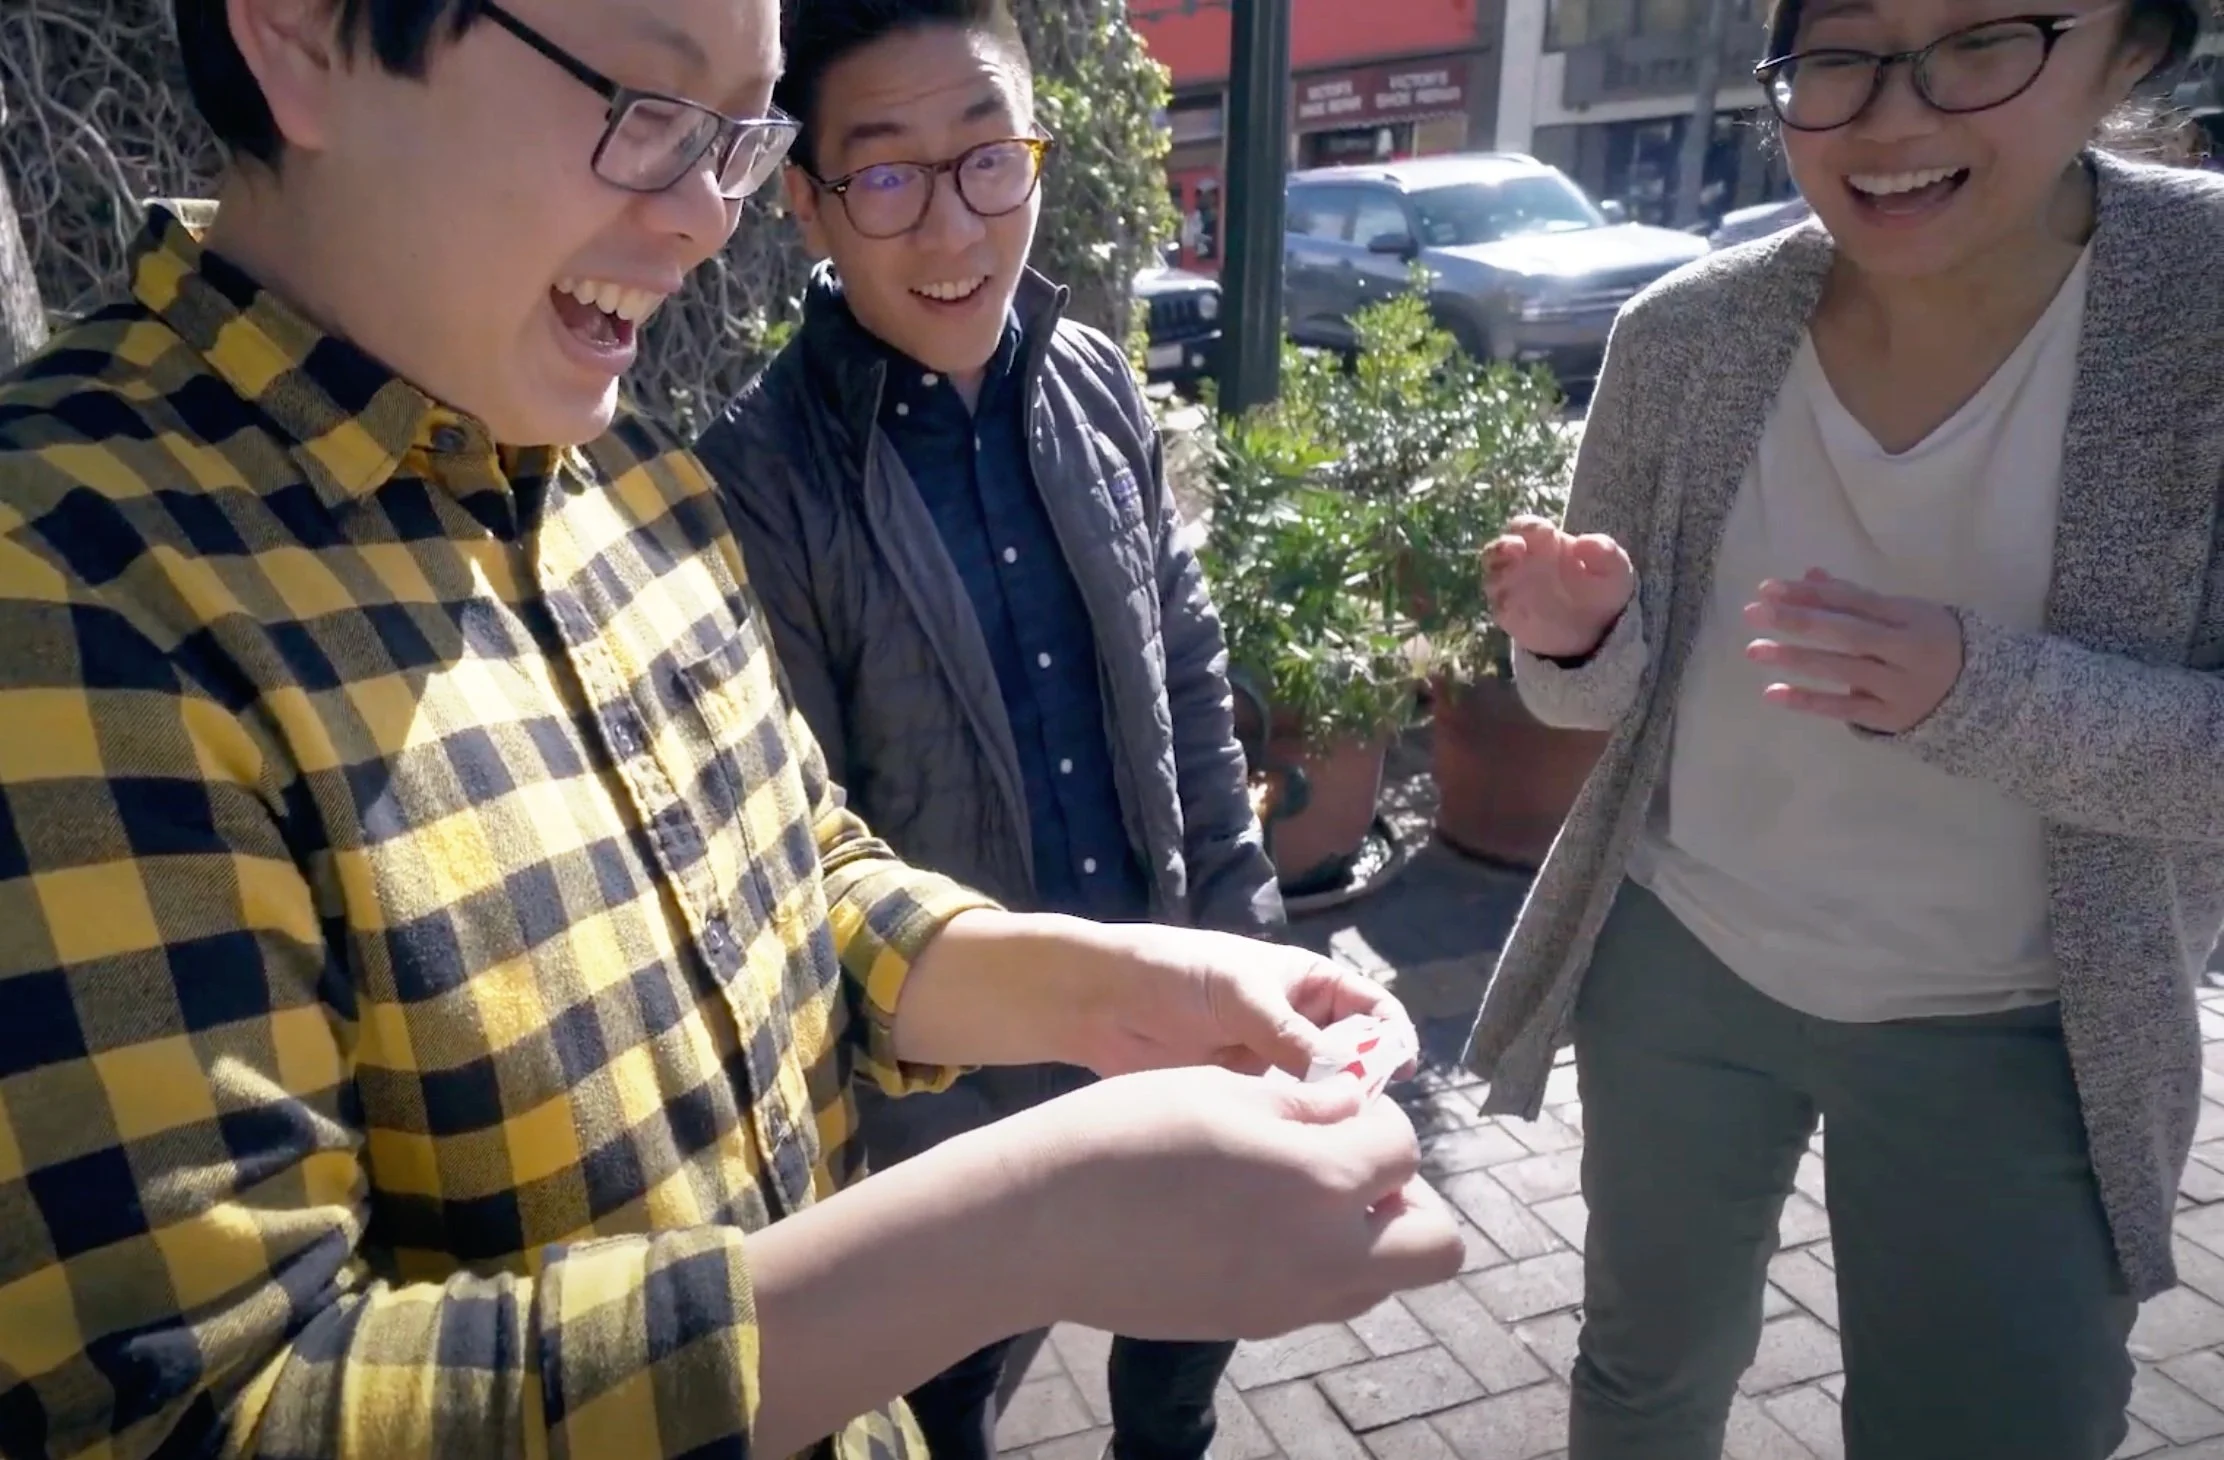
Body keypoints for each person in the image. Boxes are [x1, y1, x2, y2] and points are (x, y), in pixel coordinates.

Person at [0, 1, 1468, 1456]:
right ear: (305, 37)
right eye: (644, 106)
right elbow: (208, 1413)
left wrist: (1117, 988)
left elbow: (790, 874)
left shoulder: (626, 474)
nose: (709, 216)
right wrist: (1028, 1228)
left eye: (733, 135)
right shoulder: (68, 583)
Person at [1465, 0, 2223, 1453]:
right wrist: (1575, 639)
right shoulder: (1686, 332)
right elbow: (1596, 701)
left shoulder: (2201, 306)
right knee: (1641, 1376)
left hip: (2023, 1025)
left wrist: (1976, 693)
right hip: (1682, 961)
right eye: (1842, 53)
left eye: (1983, 37)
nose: (1893, 114)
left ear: (2131, 47)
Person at [693, 5, 1278, 1459]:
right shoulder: (758, 479)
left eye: (987, 159)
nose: (953, 226)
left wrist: (1246, 932)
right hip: (940, 1105)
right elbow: (798, 851)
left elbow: (1185, 672)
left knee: (1181, 1369)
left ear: (1034, 154)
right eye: (888, 175)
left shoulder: (1094, 384)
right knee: (941, 1410)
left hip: (1164, 1014)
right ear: (808, 199)